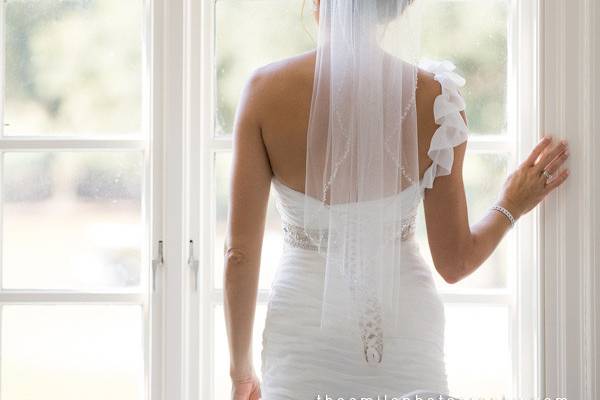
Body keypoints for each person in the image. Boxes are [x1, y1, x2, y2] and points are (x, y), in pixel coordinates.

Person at [223, 1, 570, 399]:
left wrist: (240, 371)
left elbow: (239, 256)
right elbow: (455, 262)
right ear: (394, 9)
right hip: (405, 339)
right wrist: (510, 204)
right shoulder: (435, 100)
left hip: (302, 341)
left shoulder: (263, 92)